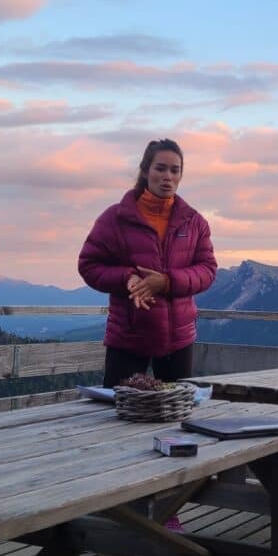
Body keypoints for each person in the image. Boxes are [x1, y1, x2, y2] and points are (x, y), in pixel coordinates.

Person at [78, 138, 217, 390]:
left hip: (178, 340)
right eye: (160, 168)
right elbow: (88, 265)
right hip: (128, 338)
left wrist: (166, 282)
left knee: (176, 418)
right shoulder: (115, 219)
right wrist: (127, 278)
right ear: (145, 171)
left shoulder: (194, 222)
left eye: (175, 170)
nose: (168, 176)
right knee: (117, 415)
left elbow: (207, 270)